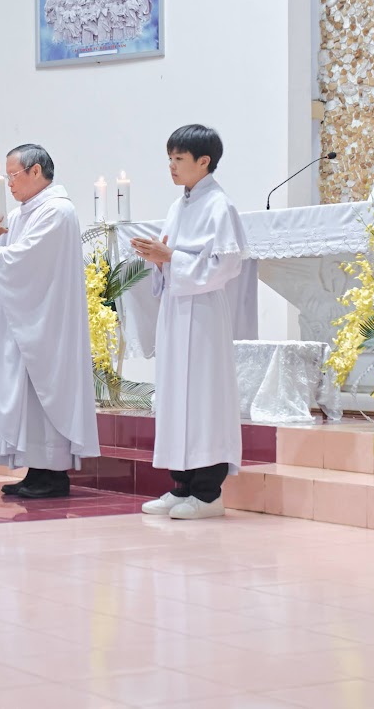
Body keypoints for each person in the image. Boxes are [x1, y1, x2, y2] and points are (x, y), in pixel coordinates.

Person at [131, 125, 248, 519]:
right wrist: (158, 260)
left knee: (203, 399)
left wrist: (171, 259)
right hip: (176, 311)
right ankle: (181, 486)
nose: (172, 166)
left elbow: (226, 265)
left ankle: (208, 493)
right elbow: (171, 257)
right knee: (175, 396)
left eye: (179, 159)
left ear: (204, 161)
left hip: (203, 315)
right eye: (170, 159)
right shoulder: (177, 205)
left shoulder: (219, 206)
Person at [0, 144, 99, 499]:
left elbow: (24, 260)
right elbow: (8, 257)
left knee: (47, 392)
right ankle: (36, 470)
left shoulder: (57, 211)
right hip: (28, 318)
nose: (9, 183)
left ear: (36, 171)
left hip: (49, 322)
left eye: (13, 175)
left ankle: (54, 475)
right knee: (30, 395)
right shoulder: (22, 213)